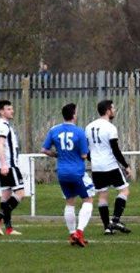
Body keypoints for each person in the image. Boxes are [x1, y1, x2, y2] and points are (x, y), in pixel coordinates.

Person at [41, 103, 94, 247]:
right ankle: (79, 232)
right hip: (77, 172)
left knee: (70, 201)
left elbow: (44, 150)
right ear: (74, 115)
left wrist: (57, 155)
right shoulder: (79, 132)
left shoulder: (54, 131)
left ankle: (72, 234)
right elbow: (84, 155)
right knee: (88, 200)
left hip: (62, 173)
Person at [86, 100, 132, 235]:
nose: (115, 110)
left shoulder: (89, 127)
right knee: (124, 191)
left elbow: (86, 149)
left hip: (96, 167)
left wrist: (93, 159)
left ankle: (107, 227)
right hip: (110, 165)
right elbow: (115, 149)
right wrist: (126, 165)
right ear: (108, 111)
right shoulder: (110, 128)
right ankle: (116, 219)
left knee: (102, 196)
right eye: (113, 108)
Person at [0, 100, 25, 236]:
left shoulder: (4, 125)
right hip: (9, 164)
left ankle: (8, 228)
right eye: (9, 109)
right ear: (1, 111)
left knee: (6, 195)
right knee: (20, 193)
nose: (12, 111)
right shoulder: (2, 126)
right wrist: (4, 164)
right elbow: (0, 145)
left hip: (5, 164)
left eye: (12, 108)